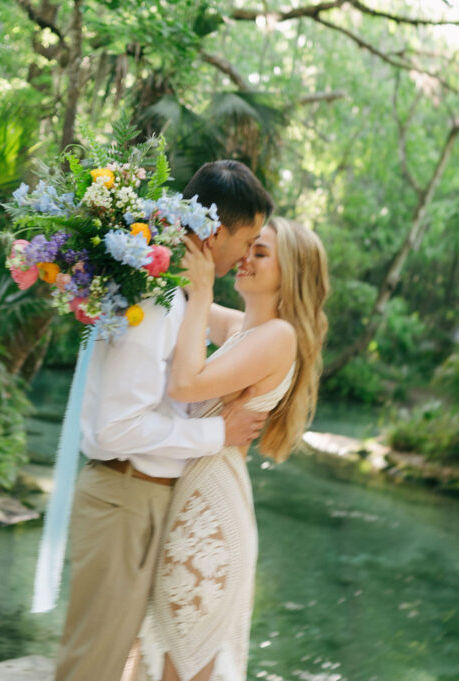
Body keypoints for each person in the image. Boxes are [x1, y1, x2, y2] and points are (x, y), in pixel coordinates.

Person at [54, 160, 276, 681]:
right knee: (93, 667)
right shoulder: (152, 302)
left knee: (121, 663)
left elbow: (251, 331)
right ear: (216, 231)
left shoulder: (176, 295)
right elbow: (117, 428)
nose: (246, 254)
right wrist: (216, 434)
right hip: (124, 499)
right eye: (248, 241)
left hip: (145, 501)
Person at [130, 217, 330, 681]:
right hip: (190, 497)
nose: (246, 259)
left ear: (291, 274)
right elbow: (183, 290)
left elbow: (184, 384)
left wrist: (202, 294)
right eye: (249, 249)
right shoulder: (245, 329)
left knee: (181, 662)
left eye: (261, 253)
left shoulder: (280, 337)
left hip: (209, 513)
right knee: (161, 657)